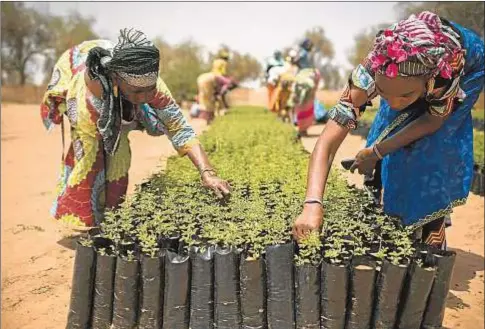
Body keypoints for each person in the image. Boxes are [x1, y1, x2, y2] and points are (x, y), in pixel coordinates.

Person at [293, 12, 484, 249]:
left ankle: (432, 228)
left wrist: (377, 152)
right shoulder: (371, 72)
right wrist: (312, 204)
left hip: (468, 66)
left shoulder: (445, 72)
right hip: (408, 76)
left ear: (428, 82)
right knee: (388, 121)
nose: (394, 102)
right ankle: (385, 193)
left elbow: (432, 122)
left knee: (430, 147)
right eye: (383, 93)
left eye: (405, 95)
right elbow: (327, 142)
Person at [40, 29, 231, 228]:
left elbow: (179, 127)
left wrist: (207, 172)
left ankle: (113, 219)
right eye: (137, 91)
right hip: (84, 97)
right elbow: (103, 130)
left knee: (120, 158)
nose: (146, 97)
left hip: (118, 88)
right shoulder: (91, 95)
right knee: (91, 159)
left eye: (150, 89)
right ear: (116, 80)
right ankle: (91, 222)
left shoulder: (149, 82)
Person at [289, 38, 321, 137]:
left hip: (304, 77)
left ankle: (301, 128)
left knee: (301, 103)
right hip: (307, 77)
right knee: (305, 103)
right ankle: (302, 128)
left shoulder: (303, 53)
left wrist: (292, 59)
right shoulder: (304, 53)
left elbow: (294, 61)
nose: (310, 46)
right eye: (309, 44)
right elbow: (296, 61)